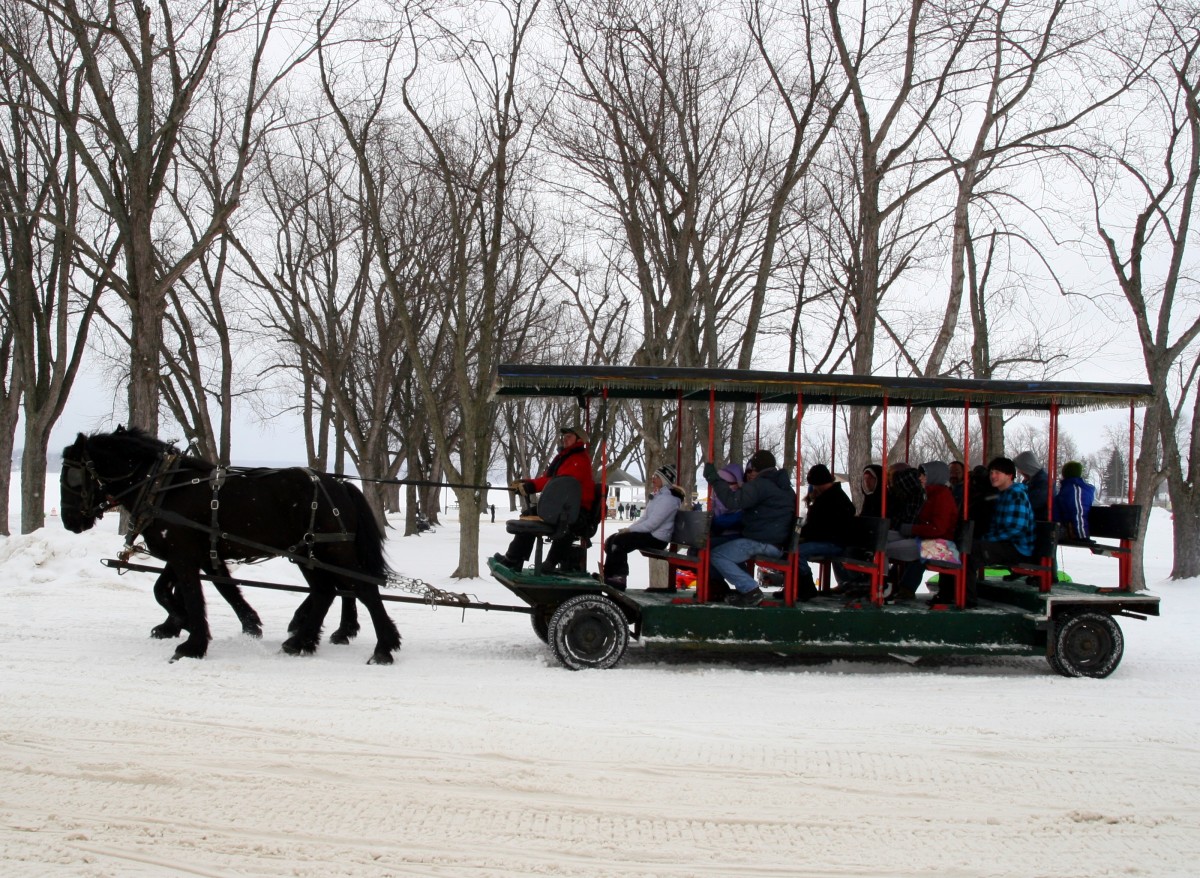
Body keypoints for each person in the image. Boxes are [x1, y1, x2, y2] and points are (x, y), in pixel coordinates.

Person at [491, 425, 596, 571]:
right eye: (564, 437)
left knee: (541, 518)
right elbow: (548, 479)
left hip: (576, 511)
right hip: (564, 508)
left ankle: (533, 561)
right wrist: (527, 483)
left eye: (569, 437)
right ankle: (515, 559)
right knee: (529, 515)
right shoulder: (565, 457)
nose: (565, 440)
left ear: (579, 440)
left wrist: (531, 487)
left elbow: (558, 482)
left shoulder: (578, 460)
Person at [701, 449, 797, 607]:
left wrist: (715, 480)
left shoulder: (761, 485)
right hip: (777, 543)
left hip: (762, 542)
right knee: (721, 546)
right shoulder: (784, 487)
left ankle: (750, 590)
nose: (750, 472)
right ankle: (743, 586)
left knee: (717, 555)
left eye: (752, 468)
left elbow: (733, 501)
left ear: (757, 467)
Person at [960, 456, 1035, 608]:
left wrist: (988, 538)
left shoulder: (1016, 494)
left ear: (1010, 475)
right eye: (991, 472)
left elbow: (1016, 528)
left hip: (1016, 547)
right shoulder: (1000, 494)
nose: (993, 476)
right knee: (964, 547)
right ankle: (957, 595)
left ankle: (968, 601)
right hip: (1003, 543)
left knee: (969, 552)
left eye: (998, 473)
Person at [601, 465, 684, 590]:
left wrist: (630, 531)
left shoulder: (669, 500)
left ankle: (619, 577)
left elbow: (653, 523)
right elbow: (644, 518)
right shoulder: (658, 496)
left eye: (657, 476)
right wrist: (628, 529)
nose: (653, 478)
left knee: (620, 541)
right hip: (650, 534)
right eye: (653, 476)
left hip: (658, 538)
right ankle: (609, 574)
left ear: (665, 480)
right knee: (613, 539)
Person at [887, 461, 958, 601]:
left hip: (941, 546)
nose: (920, 478)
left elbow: (938, 529)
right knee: (883, 537)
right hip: (929, 541)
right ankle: (888, 584)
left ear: (934, 476)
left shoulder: (942, 497)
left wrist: (912, 529)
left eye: (924, 475)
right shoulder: (931, 494)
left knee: (884, 548)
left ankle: (882, 585)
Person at [793, 463, 857, 598]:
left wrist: (803, 536)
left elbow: (821, 527)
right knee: (793, 548)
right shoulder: (828, 497)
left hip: (835, 543)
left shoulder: (833, 499)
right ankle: (797, 586)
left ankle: (806, 586)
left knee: (797, 552)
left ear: (818, 483)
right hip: (828, 539)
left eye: (814, 485)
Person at [1054, 460, 1096, 541]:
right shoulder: (1068, 488)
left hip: (1071, 531)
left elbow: (1079, 513)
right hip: (1063, 527)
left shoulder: (1075, 490)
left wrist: (1082, 536)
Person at [711, 461, 746, 540]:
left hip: (735, 536)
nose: (724, 487)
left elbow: (728, 520)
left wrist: (713, 522)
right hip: (720, 534)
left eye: (728, 483)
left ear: (737, 484)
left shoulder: (741, 499)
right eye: (722, 483)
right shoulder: (716, 497)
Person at [1014, 450, 1050, 521]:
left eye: (1020, 469)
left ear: (1027, 467)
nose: (1019, 471)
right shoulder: (1032, 480)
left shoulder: (1043, 482)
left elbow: (1031, 502)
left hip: (1039, 522)